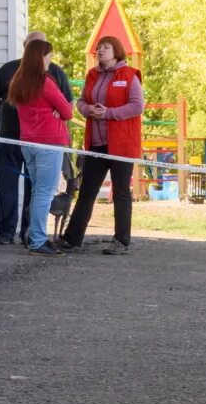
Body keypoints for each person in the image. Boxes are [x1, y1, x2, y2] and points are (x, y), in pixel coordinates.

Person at [55, 36, 144, 255]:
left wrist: (109, 113)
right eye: (98, 48)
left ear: (117, 51)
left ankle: (121, 241)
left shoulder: (130, 75)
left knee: (121, 192)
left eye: (105, 47)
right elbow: (81, 102)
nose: (100, 51)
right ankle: (71, 238)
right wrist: (87, 110)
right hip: (96, 143)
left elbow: (137, 106)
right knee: (86, 191)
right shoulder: (92, 75)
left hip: (121, 144)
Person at [0, 32, 75, 245]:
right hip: (33, 139)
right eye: (46, 54)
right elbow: (67, 110)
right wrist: (56, 111)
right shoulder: (38, 78)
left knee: (35, 190)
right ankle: (24, 235)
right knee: (34, 190)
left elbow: (66, 104)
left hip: (28, 139)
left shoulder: (28, 77)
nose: (49, 59)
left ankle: (29, 233)